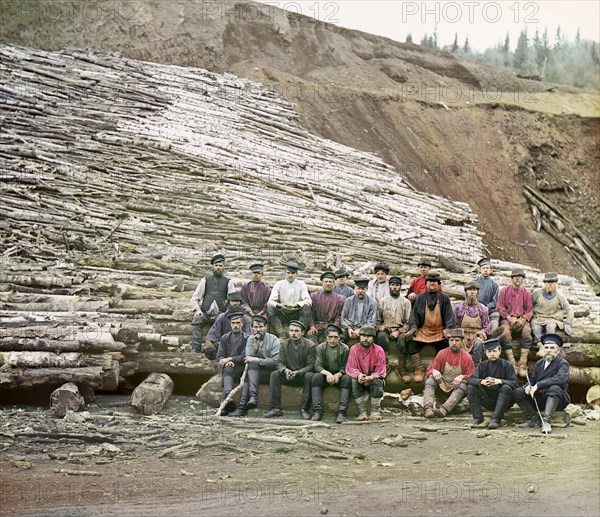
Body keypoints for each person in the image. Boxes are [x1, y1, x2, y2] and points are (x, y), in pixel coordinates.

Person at [514, 334, 570, 434]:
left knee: (555, 388)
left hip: (557, 399)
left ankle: (546, 421)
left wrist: (538, 385)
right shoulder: (539, 363)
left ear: (558, 350)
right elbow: (533, 379)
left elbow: (560, 378)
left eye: (552, 348)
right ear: (543, 349)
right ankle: (533, 419)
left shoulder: (562, 363)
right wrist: (528, 386)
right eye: (546, 347)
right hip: (540, 398)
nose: (549, 350)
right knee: (518, 391)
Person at [406, 273, 454, 383]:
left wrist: (448, 328)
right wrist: (413, 328)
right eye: (430, 282)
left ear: (438, 284)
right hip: (423, 330)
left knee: (446, 345)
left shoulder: (444, 298)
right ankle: (419, 369)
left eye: (435, 282)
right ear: (426, 283)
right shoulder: (420, 298)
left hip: (439, 331)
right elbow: (413, 316)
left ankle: (438, 369)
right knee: (410, 341)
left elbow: (449, 316)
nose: (432, 284)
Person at [228, 315, 280, 417]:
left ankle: (243, 406)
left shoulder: (274, 339)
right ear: (252, 328)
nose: (258, 329)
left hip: (270, 372)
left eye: (261, 327)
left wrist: (258, 359)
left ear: (266, 327)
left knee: (249, 373)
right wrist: (255, 347)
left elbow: (275, 361)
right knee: (250, 370)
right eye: (255, 327)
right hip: (255, 372)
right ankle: (251, 398)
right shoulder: (251, 338)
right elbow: (248, 358)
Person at [264, 321, 316, 419]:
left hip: (302, 376)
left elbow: (311, 365)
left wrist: (298, 372)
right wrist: (285, 370)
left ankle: (304, 409)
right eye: (291, 330)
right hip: (288, 375)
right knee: (274, 375)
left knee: (310, 376)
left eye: (297, 331)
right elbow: (279, 362)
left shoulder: (310, 345)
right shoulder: (284, 344)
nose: (293, 333)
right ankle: (275, 408)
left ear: (302, 333)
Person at [466, 338, 518, 429]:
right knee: (471, 387)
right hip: (488, 400)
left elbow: (515, 383)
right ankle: (478, 418)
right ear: (486, 353)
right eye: (489, 352)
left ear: (500, 351)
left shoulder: (507, 365)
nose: (492, 354)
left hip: (504, 401)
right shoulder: (482, 365)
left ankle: (496, 420)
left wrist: (500, 381)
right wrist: (482, 382)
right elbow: (470, 379)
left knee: (506, 388)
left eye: (494, 351)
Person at [423, 328, 474, 418]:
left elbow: (472, 377)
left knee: (463, 384)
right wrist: (434, 371)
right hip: (442, 386)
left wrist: (462, 376)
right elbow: (428, 370)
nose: (454, 343)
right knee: (431, 379)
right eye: (451, 340)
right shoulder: (442, 353)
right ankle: (428, 408)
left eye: (457, 340)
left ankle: (444, 409)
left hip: (456, 390)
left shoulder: (467, 357)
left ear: (462, 341)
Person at [190, 254, 236, 354]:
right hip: (205, 313)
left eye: (220, 265)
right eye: (216, 265)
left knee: (224, 325)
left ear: (224, 267)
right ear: (212, 267)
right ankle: (196, 347)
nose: (218, 268)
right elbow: (195, 298)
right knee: (197, 320)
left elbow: (233, 300)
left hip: (221, 314)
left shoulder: (229, 282)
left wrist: (227, 313)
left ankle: (217, 349)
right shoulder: (205, 280)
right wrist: (198, 310)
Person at [310, 324, 351, 423]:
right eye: (330, 337)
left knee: (347, 379)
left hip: (338, 376)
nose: (333, 340)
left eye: (335, 337)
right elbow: (317, 365)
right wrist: (327, 373)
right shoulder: (321, 347)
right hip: (325, 375)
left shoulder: (345, 348)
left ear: (339, 338)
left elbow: (345, 367)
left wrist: (339, 374)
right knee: (316, 377)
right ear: (326, 337)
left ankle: (341, 412)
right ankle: (317, 411)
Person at [496, 268, 533, 377]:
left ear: (523, 279)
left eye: (520, 276)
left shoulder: (527, 293)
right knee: (505, 333)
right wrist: (508, 317)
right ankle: (512, 362)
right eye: (515, 276)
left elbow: (529, 310)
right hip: (508, 319)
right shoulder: (504, 290)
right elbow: (500, 307)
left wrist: (523, 319)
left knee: (527, 332)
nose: (517, 278)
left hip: (521, 320)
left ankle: (522, 363)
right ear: (511, 278)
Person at [346, 325, 387, 421]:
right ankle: (362, 411)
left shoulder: (379, 350)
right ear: (359, 337)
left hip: (373, 380)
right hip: (360, 378)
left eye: (369, 336)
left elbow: (381, 370)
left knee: (377, 382)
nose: (365, 338)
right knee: (353, 381)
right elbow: (351, 367)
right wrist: (358, 375)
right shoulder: (354, 349)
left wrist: (371, 377)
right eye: (363, 336)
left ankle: (375, 411)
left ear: (373, 338)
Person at [376, 276, 411, 381]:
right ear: (389, 286)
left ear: (400, 287)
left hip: (400, 329)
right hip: (386, 328)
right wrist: (380, 326)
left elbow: (409, 322)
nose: (395, 287)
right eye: (392, 285)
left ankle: (402, 366)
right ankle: (384, 364)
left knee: (403, 339)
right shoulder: (382, 301)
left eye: (397, 285)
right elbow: (378, 320)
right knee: (381, 337)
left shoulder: (406, 302)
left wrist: (399, 331)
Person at [267, 261, 312, 338]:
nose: (290, 275)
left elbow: (308, 301)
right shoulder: (279, 284)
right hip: (283, 312)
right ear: (285, 273)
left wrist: (296, 304)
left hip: (296, 311)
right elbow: (270, 302)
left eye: (293, 273)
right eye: (288, 273)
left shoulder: (301, 284)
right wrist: (279, 305)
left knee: (306, 308)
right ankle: (280, 333)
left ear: (296, 274)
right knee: (270, 308)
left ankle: (299, 331)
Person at [216, 311, 249, 415]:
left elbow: (244, 356)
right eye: (233, 323)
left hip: (242, 368)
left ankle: (226, 401)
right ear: (230, 324)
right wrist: (225, 362)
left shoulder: (247, 338)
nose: (235, 326)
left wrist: (230, 359)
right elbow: (220, 356)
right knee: (227, 369)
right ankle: (228, 398)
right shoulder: (225, 338)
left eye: (238, 323)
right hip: (229, 367)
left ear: (242, 324)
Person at [203, 292, 251, 359]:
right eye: (233, 301)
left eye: (237, 301)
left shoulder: (245, 319)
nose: (235, 303)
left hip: (240, 347)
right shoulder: (222, 317)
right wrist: (209, 341)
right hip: (224, 345)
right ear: (228, 302)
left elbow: (249, 335)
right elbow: (214, 332)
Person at [453, 282, 490, 365]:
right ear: (466, 292)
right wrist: (459, 333)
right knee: (459, 343)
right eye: (470, 290)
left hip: (477, 336)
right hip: (463, 335)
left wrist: (482, 333)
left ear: (477, 292)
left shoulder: (483, 308)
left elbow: (487, 326)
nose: (472, 292)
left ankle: (475, 366)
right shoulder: (460, 307)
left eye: (474, 290)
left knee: (478, 344)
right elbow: (455, 324)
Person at [531, 272, 574, 345]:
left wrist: (568, 323)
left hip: (552, 319)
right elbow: (529, 306)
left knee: (550, 327)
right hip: (537, 318)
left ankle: (549, 345)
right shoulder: (536, 293)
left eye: (552, 282)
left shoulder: (560, 296)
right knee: (535, 329)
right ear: (544, 283)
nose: (550, 284)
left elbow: (569, 309)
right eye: (548, 282)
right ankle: (539, 345)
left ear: (556, 283)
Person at [307, 272, 345, 344]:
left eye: (330, 282)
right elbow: (310, 313)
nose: (328, 284)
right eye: (326, 281)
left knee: (328, 344)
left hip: (330, 327)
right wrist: (311, 326)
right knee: (311, 343)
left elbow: (339, 316)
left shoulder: (339, 299)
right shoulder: (314, 296)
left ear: (334, 283)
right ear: (322, 283)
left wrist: (333, 328)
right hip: (315, 326)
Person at [340, 277, 377, 344]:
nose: (360, 291)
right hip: (349, 327)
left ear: (367, 289)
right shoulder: (348, 301)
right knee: (341, 338)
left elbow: (372, 321)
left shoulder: (372, 302)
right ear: (355, 288)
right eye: (358, 288)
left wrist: (360, 330)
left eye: (363, 289)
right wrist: (349, 328)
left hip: (365, 328)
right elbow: (343, 317)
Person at [475, 257, 500, 332]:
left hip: (490, 310)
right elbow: (471, 297)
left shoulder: (494, 284)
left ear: (490, 270)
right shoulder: (475, 283)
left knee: (494, 323)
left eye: (487, 268)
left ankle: (492, 335)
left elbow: (495, 301)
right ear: (480, 270)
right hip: (477, 309)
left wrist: (487, 307)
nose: (485, 270)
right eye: (483, 268)